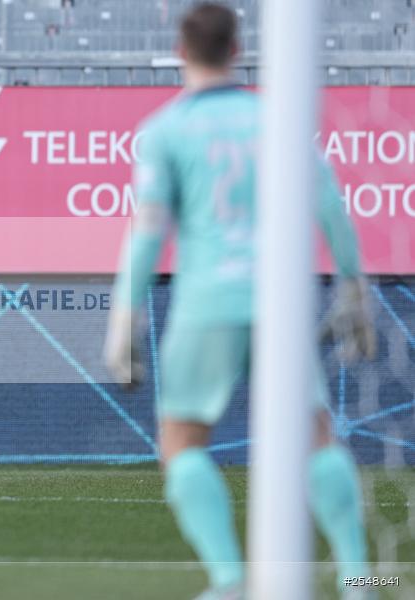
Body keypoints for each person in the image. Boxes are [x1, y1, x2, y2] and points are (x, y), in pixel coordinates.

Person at [103, 4, 375, 599]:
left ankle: (228, 581)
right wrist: (353, 285)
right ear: (236, 50)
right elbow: (330, 203)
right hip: (275, 299)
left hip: (205, 301)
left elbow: (148, 226)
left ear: (181, 50)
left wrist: (125, 310)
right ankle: (360, 580)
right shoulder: (277, 120)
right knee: (317, 436)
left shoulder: (164, 131)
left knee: (182, 443)